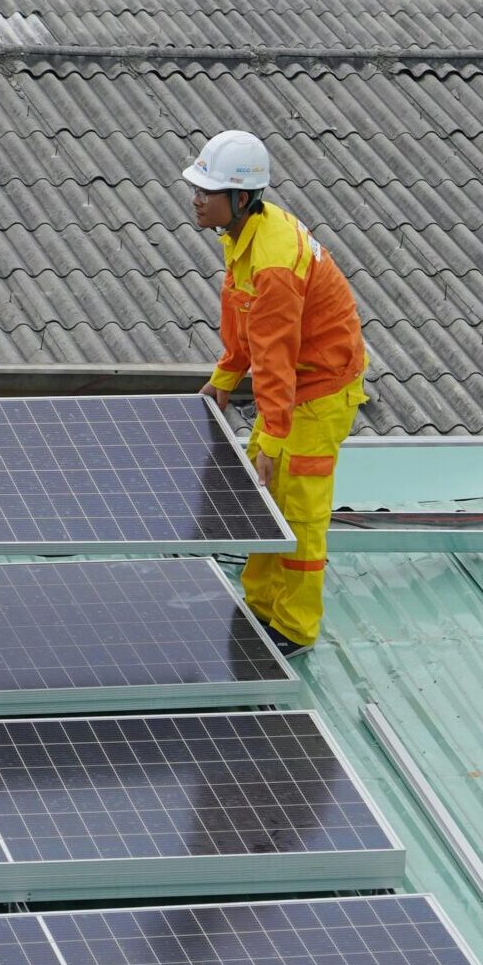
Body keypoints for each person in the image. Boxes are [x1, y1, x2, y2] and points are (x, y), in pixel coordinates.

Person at [183, 130, 368, 659]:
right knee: (265, 499)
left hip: (317, 389)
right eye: (195, 187)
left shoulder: (275, 265)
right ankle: (261, 603)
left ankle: (294, 626)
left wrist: (273, 440)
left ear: (240, 198)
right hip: (290, 386)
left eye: (207, 190)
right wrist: (223, 376)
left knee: (298, 510)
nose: (196, 198)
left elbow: (277, 359)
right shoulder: (245, 234)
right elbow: (246, 325)